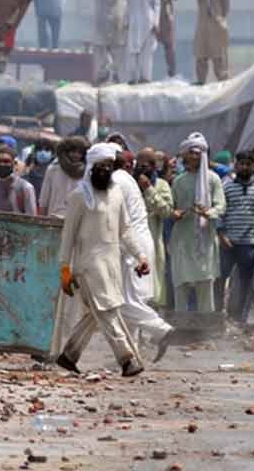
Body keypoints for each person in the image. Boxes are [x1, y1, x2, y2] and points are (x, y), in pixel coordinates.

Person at [55, 143, 148, 377]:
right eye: (100, 165)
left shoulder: (116, 193)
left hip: (112, 263)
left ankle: (69, 355)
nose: (104, 170)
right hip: (88, 265)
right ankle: (127, 359)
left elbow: (125, 230)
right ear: (91, 167)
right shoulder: (79, 197)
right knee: (107, 311)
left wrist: (140, 256)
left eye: (108, 165)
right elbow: (68, 236)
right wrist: (65, 269)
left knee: (98, 313)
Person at [110, 146, 176, 362]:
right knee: (131, 298)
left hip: (133, 247)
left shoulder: (119, 179)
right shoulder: (128, 181)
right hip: (136, 244)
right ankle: (131, 354)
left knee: (124, 301)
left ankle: (161, 330)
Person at [215, 150, 254, 324]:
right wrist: (221, 234)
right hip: (229, 241)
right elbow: (220, 212)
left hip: (252, 242)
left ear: (253, 165)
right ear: (235, 164)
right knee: (221, 278)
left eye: (248, 164)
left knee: (245, 281)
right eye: (241, 163)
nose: (244, 167)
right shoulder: (226, 187)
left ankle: (240, 317)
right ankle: (218, 315)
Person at [169, 133, 226, 313]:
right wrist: (174, 213)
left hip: (205, 238)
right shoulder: (178, 181)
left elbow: (221, 205)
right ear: (185, 154)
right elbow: (172, 207)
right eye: (192, 152)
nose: (195, 156)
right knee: (181, 283)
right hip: (182, 239)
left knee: (204, 283)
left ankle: (206, 329)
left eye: (199, 152)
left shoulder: (213, 178)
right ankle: (181, 325)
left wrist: (207, 213)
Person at [135, 148, 174, 311]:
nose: (143, 169)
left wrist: (149, 189)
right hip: (132, 242)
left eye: (147, 165)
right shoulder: (130, 184)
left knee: (154, 289)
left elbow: (166, 212)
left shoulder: (162, 185)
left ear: (153, 166)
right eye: (140, 165)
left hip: (153, 241)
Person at [86, 0, 131, 83]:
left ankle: (116, 74)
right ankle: (105, 73)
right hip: (104, 16)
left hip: (116, 15)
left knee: (114, 47)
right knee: (103, 46)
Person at [194, 0, 230, 85]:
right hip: (203, 25)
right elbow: (199, 2)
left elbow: (226, 7)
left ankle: (222, 79)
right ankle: (200, 80)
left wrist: (219, 18)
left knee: (218, 55)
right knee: (201, 54)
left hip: (217, 25)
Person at [124, 0, 160, 85]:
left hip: (148, 22)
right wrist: (126, 21)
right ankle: (132, 78)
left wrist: (156, 22)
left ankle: (146, 77)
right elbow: (127, 5)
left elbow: (157, 5)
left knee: (147, 52)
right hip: (134, 22)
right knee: (132, 51)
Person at [39, 136, 88, 218]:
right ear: (65, 152)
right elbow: (44, 200)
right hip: (52, 219)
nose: (76, 155)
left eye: (80, 152)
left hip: (75, 221)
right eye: (73, 151)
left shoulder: (86, 173)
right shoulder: (53, 170)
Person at [150, 0, 180, 78]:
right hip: (151, 10)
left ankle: (172, 73)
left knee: (170, 45)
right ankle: (143, 74)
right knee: (147, 43)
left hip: (166, 11)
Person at [0, 146, 37, 215]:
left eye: (6, 161)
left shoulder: (25, 188)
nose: (2, 164)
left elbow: (31, 219)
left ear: (14, 163)